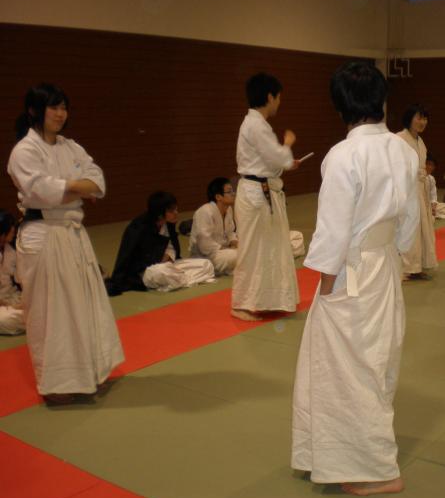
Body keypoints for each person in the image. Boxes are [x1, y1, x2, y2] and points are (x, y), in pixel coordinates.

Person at [292, 61, 419, 497]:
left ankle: (377, 469)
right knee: (375, 362)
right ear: (382, 101)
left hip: (351, 269)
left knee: (347, 370)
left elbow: (333, 231)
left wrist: (327, 288)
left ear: (339, 106)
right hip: (385, 264)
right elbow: (410, 219)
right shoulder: (404, 150)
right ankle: (332, 456)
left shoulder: (343, 156)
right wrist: (397, 254)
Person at [8, 83, 124, 405]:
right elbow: (41, 191)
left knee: (82, 305)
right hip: (43, 234)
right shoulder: (25, 151)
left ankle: (86, 374)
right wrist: (77, 188)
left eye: (64, 107)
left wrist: (70, 188)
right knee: (50, 312)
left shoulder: (71, 146)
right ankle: (56, 384)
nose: (61, 114)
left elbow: (98, 181)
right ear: (34, 110)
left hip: (72, 232)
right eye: (53, 107)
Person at [231, 73, 301, 321]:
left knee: (269, 247)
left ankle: (267, 300)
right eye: (278, 97)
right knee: (252, 249)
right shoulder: (256, 125)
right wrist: (287, 144)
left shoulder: (255, 124)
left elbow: (273, 162)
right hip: (255, 193)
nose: (279, 102)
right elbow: (278, 157)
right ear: (270, 96)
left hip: (261, 190)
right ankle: (241, 304)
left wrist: (285, 160)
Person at [108, 191, 214, 295]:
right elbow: (129, 258)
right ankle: (182, 279)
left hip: (169, 265)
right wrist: (158, 259)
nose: (176, 213)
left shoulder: (168, 224)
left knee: (206, 264)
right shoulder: (138, 228)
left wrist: (169, 256)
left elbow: (173, 249)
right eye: (171, 211)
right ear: (159, 214)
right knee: (162, 272)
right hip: (148, 270)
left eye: (176, 209)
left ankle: (179, 281)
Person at [397, 104, 437, 280]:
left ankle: (417, 265)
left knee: (421, 228)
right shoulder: (399, 139)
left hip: (419, 189)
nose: (422, 122)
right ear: (410, 118)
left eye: (425, 118)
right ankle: (405, 267)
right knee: (408, 228)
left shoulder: (420, 142)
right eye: (419, 118)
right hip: (406, 190)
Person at [190, 177, 238, 275]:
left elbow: (231, 232)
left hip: (225, 251)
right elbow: (204, 245)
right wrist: (227, 249)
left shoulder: (228, 210)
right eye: (229, 192)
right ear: (218, 196)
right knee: (238, 255)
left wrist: (234, 242)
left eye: (233, 191)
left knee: (248, 248)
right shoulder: (204, 212)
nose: (233, 194)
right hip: (206, 256)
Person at [0, 211, 24, 335]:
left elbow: (22, 282)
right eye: (11, 230)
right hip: (3, 303)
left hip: (13, 298)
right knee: (4, 320)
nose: (13, 232)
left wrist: (20, 304)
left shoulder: (12, 250)